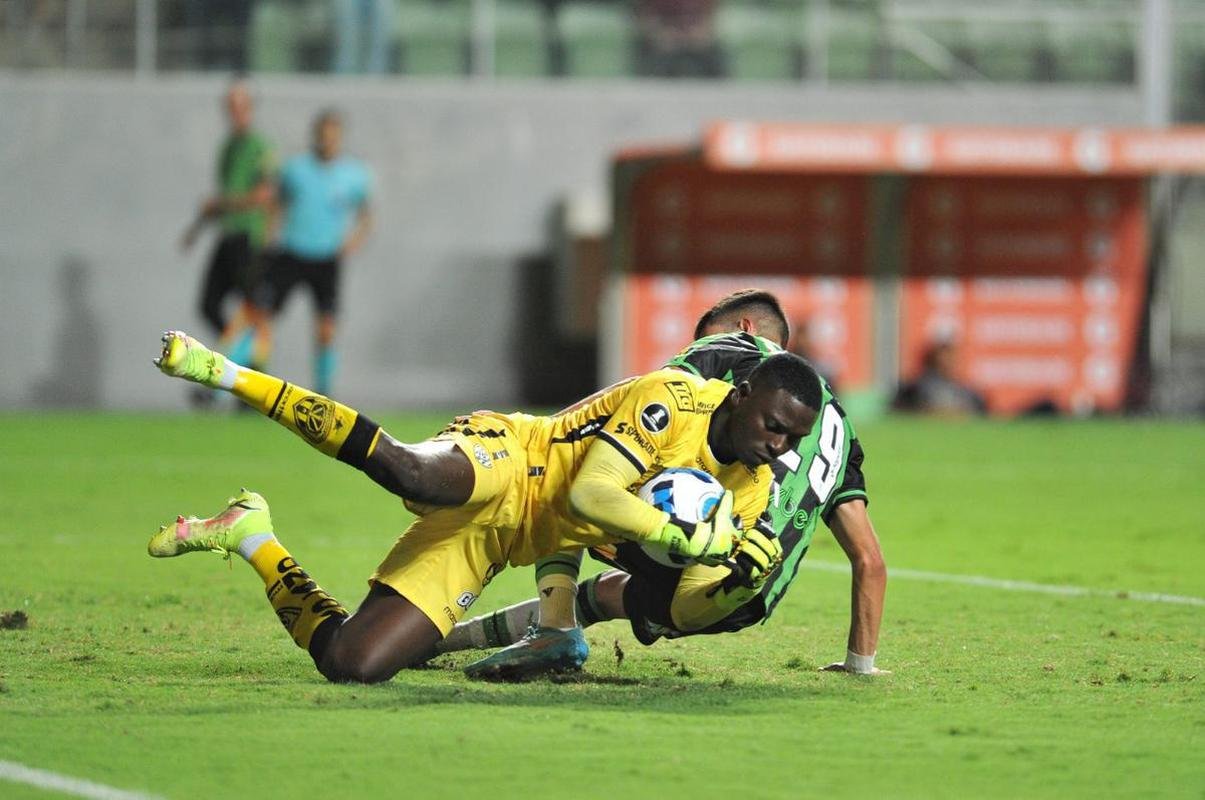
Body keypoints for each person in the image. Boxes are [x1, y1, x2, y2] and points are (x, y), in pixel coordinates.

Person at [147, 329, 822, 684]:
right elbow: (590, 494)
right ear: (739, 397)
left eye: (792, 437)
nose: (778, 443)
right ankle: (226, 373)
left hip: (506, 542)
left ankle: (250, 535)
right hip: (510, 459)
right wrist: (687, 535)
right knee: (409, 470)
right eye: (771, 424)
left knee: (354, 663)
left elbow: (689, 594)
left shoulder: (750, 488)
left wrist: (740, 575)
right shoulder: (670, 397)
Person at [448, 288, 888, 679]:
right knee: (610, 594)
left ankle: (551, 626)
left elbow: (630, 408)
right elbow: (869, 560)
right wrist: (859, 665)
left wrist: (538, 442)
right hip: (744, 599)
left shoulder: (731, 349)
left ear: (744, 327)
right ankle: (452, 641)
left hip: (701, 540)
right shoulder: (839, 433)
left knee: (580, 470)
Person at [253, 110, 373, 396]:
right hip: (292, 252)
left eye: (333, 136)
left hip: (326, 258)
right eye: (323, 136)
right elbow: (276, 205)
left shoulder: (353, 175)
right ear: (315, 136)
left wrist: (353, 242)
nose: (327, 142)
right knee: (262, 317)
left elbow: (366, 216)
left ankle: (323, 393)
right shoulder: (296, 169)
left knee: (326, 328)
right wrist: (268, 239)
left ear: (340, 138)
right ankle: (253, 385)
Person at [180, 79, 275, 397]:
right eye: (230, 106)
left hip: (249, 236)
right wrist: (196, 229)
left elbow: (262, 196)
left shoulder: (260, 146)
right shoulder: (228, 148)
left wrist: (222, 205)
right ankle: (244, 369)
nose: (234, 112)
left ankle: (223, 383)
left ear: (250, 109)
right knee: (209, 305)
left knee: (250, 310)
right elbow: (223, 197)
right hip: (228, 234)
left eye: (240, 105)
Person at [892, 338, 987, 416]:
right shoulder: (914, 388)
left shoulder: (967, 391)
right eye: (943, 357)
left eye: (952, 357)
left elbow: (981, 414)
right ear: (933, 359)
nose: (949, 362)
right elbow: (898, 412)